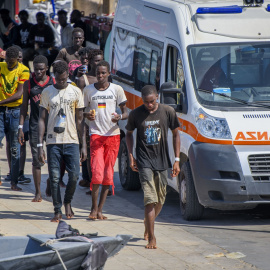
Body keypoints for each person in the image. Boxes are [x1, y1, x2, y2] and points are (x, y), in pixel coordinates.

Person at [125, 85, 181, 249]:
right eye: (146, 102)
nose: (149, 105)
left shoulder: (167, 111)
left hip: (162, 161)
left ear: (157, 97)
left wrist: (176, 160)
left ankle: (147, 223)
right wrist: (130, 155)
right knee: (150, 200)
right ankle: (152, 238)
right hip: (144, 162)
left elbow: (176, 134)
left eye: (152, 101)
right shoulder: (136, 114)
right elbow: (128, 134)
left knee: (160, 200)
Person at [38, 60, 86, 222]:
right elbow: (42, 120)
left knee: (74, 176)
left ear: (68, 76)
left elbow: (80, 120)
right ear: (54, 77)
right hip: (53, 142)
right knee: (55, 177)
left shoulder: (76, 92)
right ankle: (57, 210)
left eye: (64, 79)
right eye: (58, 79)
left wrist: (83, 145)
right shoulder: (47, 92)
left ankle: (67, 202)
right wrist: (39, 145)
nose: (61, 82)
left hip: (72, 140)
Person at [83, 60, 128, 220]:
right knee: (96, 174)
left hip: (113, 136)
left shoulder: (117, 90)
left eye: (103, 73)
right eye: (98, 73)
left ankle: (100, 209)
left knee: (108, 176)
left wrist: (120, 117)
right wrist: (87, 115)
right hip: (95, 135)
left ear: (109, 73)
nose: (100, 76)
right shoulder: (88, 90)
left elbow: (126, 112)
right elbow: (82, 112)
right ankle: (93, 209)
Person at [18, 55, 55, 202]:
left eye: (41, 69)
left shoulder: (53, 83)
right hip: (34, 125)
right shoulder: (28, 83)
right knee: (36, 159)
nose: (38, 72)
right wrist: (21, 127)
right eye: (36, 69)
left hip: (51, 125)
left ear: (47, 69)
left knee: (53, 159)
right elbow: (23, 107)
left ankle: (50, 183)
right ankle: (38, 192)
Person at [0, 46, 30, 191]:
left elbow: (19, 94)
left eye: (12, 63)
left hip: (15, 112)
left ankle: (14, 182)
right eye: (8, 62)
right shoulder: (1, 66)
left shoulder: (23, 70)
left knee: (14, 147)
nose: (10, 65)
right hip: (0, 111)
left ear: (17, 60)